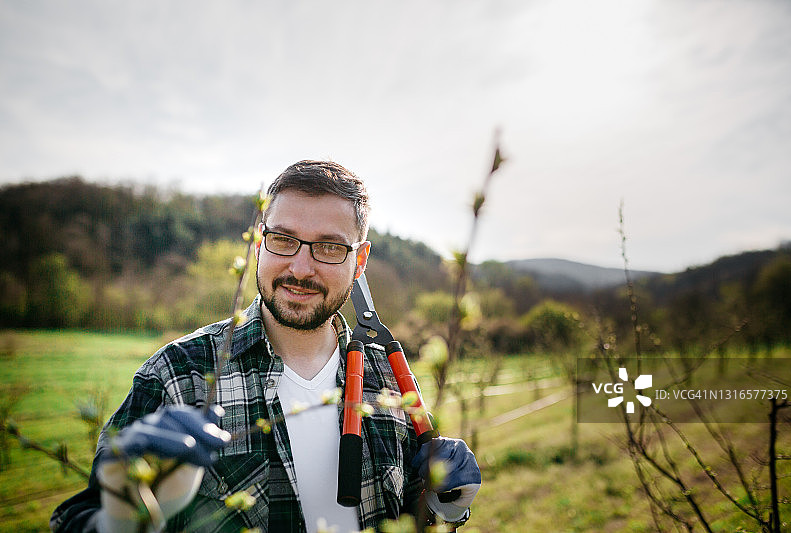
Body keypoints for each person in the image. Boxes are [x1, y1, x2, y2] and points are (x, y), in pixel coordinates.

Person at [50, 160, 481, 532]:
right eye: (283, 239)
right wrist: (120, 522)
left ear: (360, 260)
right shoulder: (176, 376)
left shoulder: (387, 378)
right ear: (260, 241)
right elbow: (76, 519)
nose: (300, 267)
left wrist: (445, 505)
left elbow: (411, 516)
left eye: (329, 247)